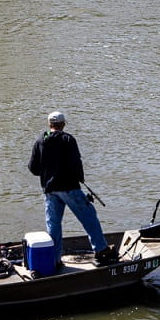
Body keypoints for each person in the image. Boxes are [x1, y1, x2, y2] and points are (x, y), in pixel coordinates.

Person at [28, 111, 116, 267]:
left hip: (49, 190)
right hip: (69, 188)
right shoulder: (68, 139)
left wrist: (48, 173)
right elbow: (77, 162)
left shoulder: (40, 140)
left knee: (53, 226)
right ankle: (101, 250)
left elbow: (33, 168)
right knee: (89, 217)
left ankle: (54, 260)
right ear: (63, 124)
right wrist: (80, 178)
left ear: (49, 124)